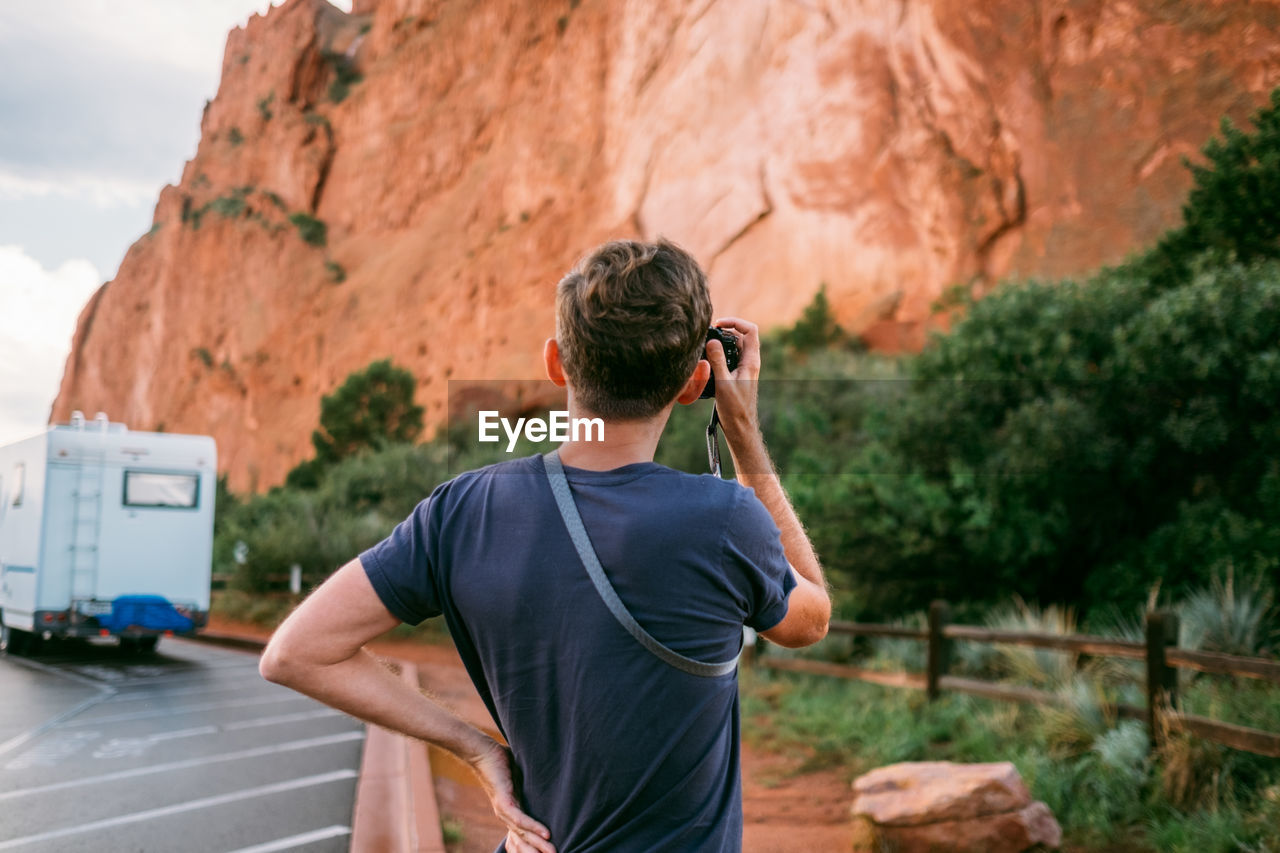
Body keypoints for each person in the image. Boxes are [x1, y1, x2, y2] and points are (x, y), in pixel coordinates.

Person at [259, 239, 831, 853]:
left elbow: (295, 652)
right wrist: (743, 432)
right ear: (695, 383)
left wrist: (475, 747)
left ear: (556, 364)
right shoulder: (723, 521)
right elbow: (809, 620)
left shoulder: (463, 510)